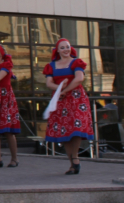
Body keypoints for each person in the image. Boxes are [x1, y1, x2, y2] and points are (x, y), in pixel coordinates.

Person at [44, 38, 94, 175]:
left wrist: (64, 91)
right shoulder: (52, 65)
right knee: (63, 130)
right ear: (57, 50)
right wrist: (59, 89)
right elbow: (49, 83)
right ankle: (72, 163)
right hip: (60, 99)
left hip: (76, 98)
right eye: (62, 47)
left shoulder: (76, 62)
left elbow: (79, 78)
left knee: (76, 126)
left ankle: (75, 157)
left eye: (67, 47)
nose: (66, 49)